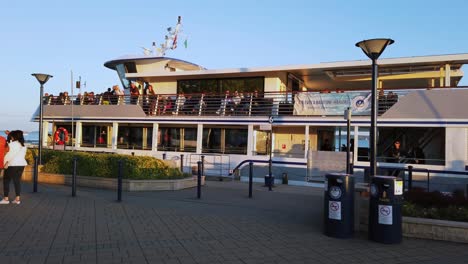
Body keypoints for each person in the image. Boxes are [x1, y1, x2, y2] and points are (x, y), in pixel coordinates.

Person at [1, 130, 27, 205]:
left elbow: (9, 155)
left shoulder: (12, 145)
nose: (11, 137)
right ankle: (17, 199)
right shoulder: (23, 145)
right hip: (21, 164)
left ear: (14, 137)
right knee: (17, 181)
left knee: (6, 180)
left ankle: (6, 199)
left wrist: (5, 162)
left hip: (12, 164)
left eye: (12, 136)